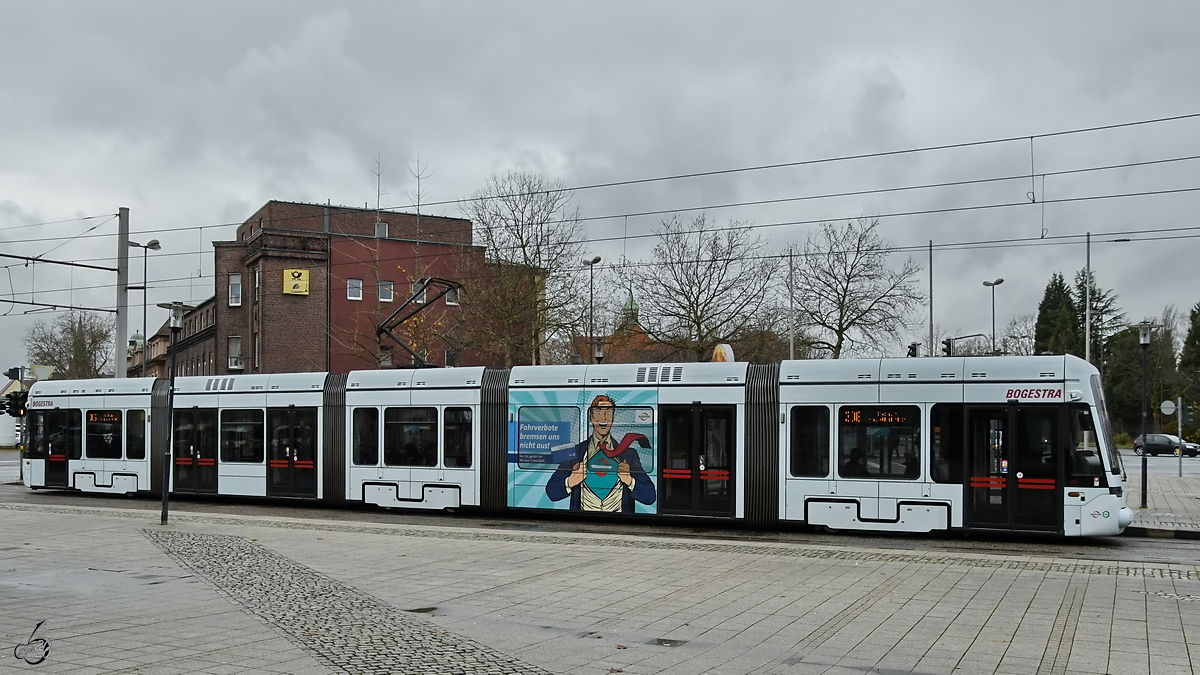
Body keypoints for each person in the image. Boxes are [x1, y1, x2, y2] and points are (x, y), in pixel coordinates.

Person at [546, 395, 657, 512]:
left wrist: (630, 480)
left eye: (608, 413)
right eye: (599, 412)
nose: (604, 418)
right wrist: (571, 480)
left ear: (613, 418)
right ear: (591, 416)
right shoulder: (575, 452)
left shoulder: (629, 455)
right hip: (583, 522)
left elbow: (650, 497)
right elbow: (551, 492)